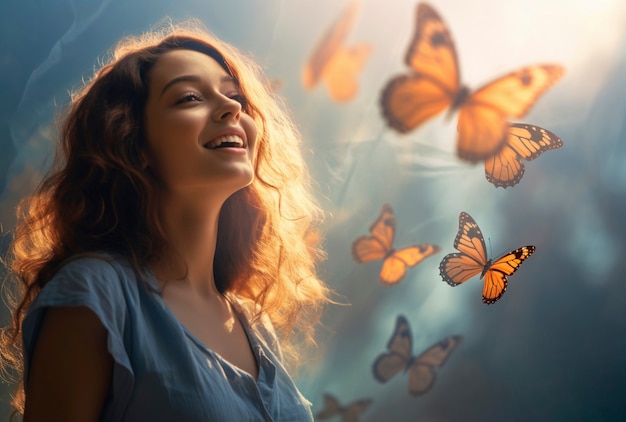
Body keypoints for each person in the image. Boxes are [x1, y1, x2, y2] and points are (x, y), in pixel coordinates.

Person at [0, 19, 331, 421]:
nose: (233, 107)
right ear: (132, 142)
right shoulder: (96, 291)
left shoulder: (253, 322)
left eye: (233, 95)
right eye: (190, 98)